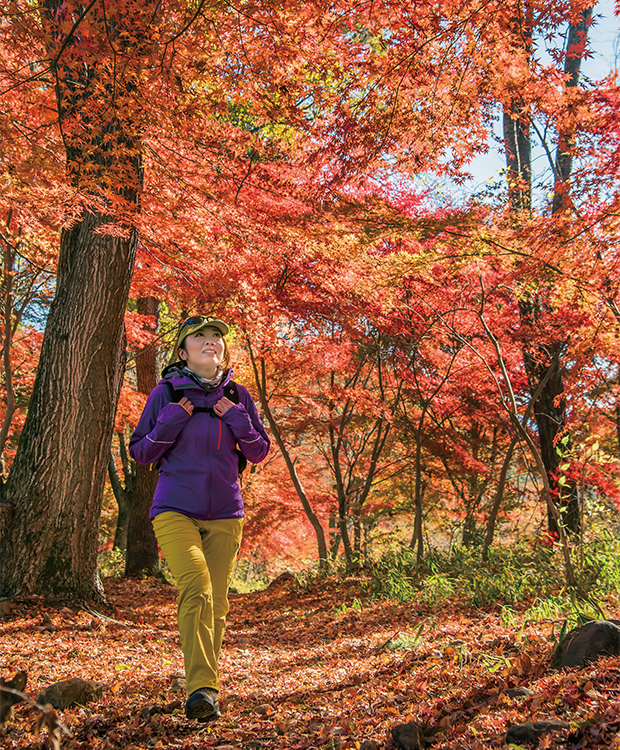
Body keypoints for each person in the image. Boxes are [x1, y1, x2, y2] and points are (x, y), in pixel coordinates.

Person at [129, 316, 270, 722]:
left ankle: (204, 681)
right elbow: (141, 452)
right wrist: (171, 419)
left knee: (218, 603)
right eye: (200, 336)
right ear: (183, 349)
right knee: (197, 588)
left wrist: (239, 421)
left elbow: (259, 452)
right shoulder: (167, 392)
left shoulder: (239, 396)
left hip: (227, 512)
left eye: (216, 337)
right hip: (175, 509)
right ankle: (202, 690)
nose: (211, 342)